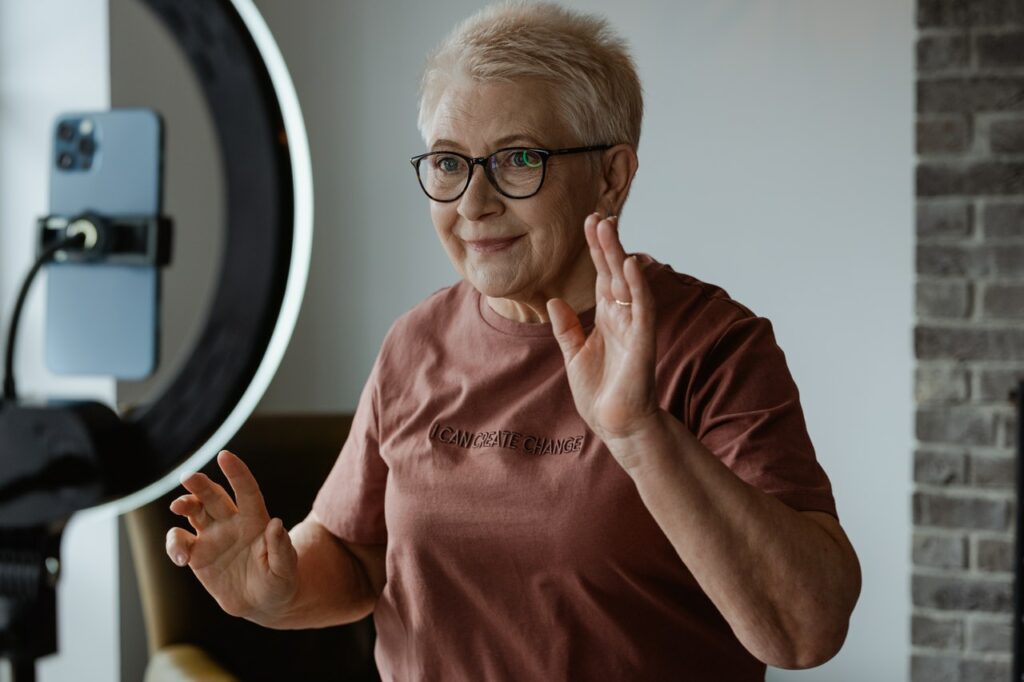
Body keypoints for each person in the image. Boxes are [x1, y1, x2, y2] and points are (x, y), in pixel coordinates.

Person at [165, 2, 861, 679]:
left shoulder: (713, 347)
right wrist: (276, 592)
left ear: (612, 176)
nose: (473, 202)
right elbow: (354, 557)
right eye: (447, 162)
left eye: (518, 158)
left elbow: (804, 633)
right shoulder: (416, 343)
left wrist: (641, 434)